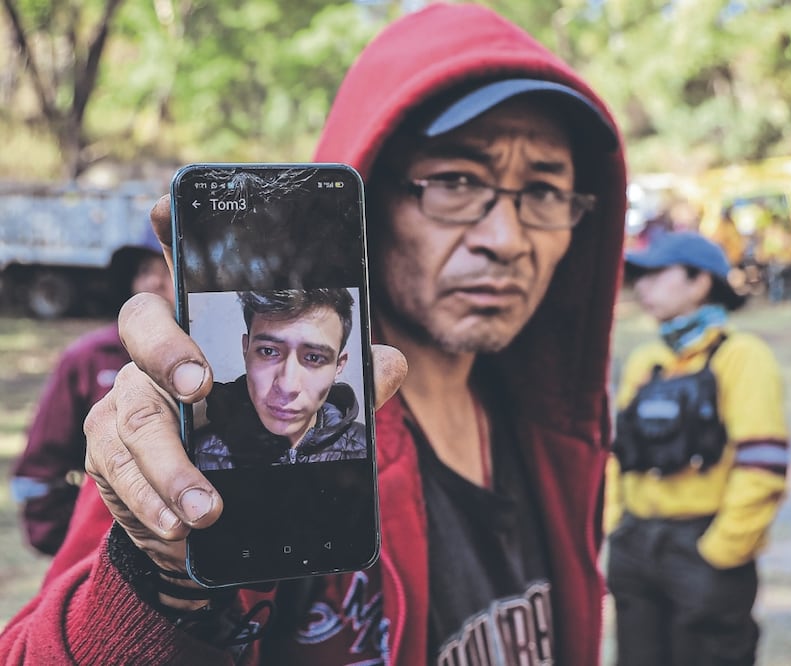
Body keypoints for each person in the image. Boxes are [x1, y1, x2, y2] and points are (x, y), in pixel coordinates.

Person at [0, 3, 627, 664]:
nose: (506, 238)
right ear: (368, 199)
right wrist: (158, 584)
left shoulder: (551, 432)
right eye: (456, 181)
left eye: (545, 190)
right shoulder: (222, 441)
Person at [605, 231, 789, 666]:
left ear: (700, 282)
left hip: (702, 550)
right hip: (636, 549)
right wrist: (615, 524)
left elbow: (763, 463)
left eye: (656, 274)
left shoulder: (741, 356)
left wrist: (722, 550)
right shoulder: (647, 361)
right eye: (639, 277)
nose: (642, 287)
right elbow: (618, 453)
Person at [9, 228, 173, 555]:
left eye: (168, 270)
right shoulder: (88, 358)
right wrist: (83, 546)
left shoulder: (228, 359)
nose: (154, 282)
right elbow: (41, 468)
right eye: (144, 270)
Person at [191, 289, 366, 470]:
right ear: (246, 350)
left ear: (339, 366)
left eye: (314, 357)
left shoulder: (365, 447)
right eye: (268, 351)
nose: (287, 386)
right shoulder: (197, 456)